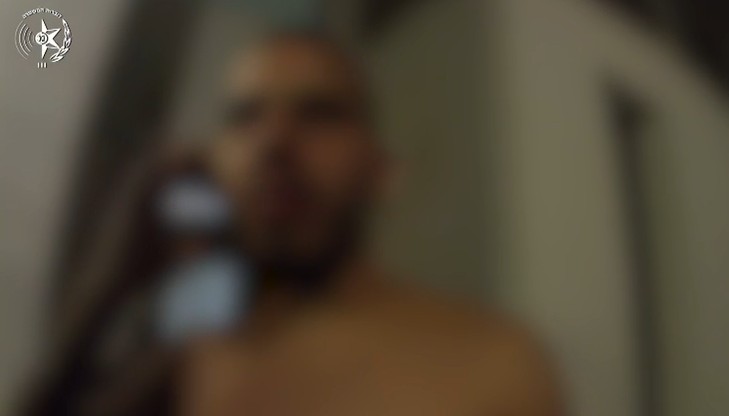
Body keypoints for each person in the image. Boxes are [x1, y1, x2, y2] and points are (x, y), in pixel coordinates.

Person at [170, 31, 563, 416]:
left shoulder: (495, 368)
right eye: (244, 116)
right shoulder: (171, 360)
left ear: (380, 170)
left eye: (319, 113)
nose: (272, 140)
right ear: (211, 164)